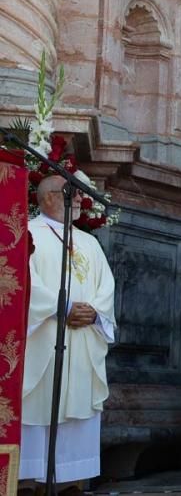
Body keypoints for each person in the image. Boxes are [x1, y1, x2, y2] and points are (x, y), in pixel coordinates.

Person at [19, 174, 116, 492]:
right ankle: (28, 483)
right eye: (70, 193)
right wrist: (62, 307)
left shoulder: (89, 242)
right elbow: (23, 283)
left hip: (82, 342)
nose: (79, 200)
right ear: (46, 197)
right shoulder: (27, 234)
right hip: (43, 342)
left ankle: (72, 484)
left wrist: (94, 312)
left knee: (78, 411)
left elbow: (107, 286)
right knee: (37, 408)